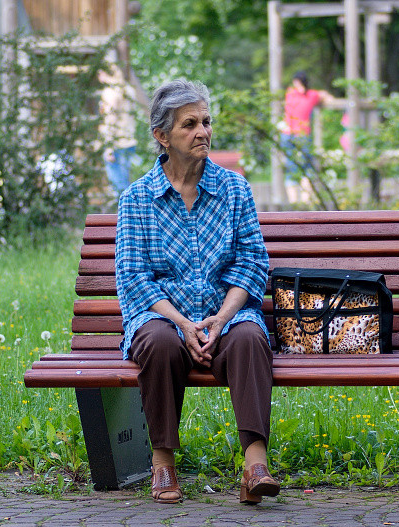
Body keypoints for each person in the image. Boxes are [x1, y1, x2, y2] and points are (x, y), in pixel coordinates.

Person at [115, 79, 279, 505]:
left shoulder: (234, 189)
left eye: (206, 122)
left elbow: (251, 263)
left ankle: (255, 466)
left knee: (250, 338)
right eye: (189, 124)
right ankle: (163, 464)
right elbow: (134, 278)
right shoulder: (137, 198)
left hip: (226, 315)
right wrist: (183, 324)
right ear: (162, 135)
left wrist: (221, 319)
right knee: (158, 342)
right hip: (163, 317)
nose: (202, 131)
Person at [281, 71, 333, 202]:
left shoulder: (292, 93)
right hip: (298, 134)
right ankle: (303, 201)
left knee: (295, 167)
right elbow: (324, 95)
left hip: (292, 134)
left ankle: (298, 201)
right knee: (304, 167)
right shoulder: (309, 95)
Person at [98, 65, 138, 196]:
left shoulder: (110, 92)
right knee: (128, 184)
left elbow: (111, 120)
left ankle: (125, 210)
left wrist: (108, 147)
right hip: (129, 141)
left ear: (104, 74)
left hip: (116, 144)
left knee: (120, 188)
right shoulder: (128, 90)